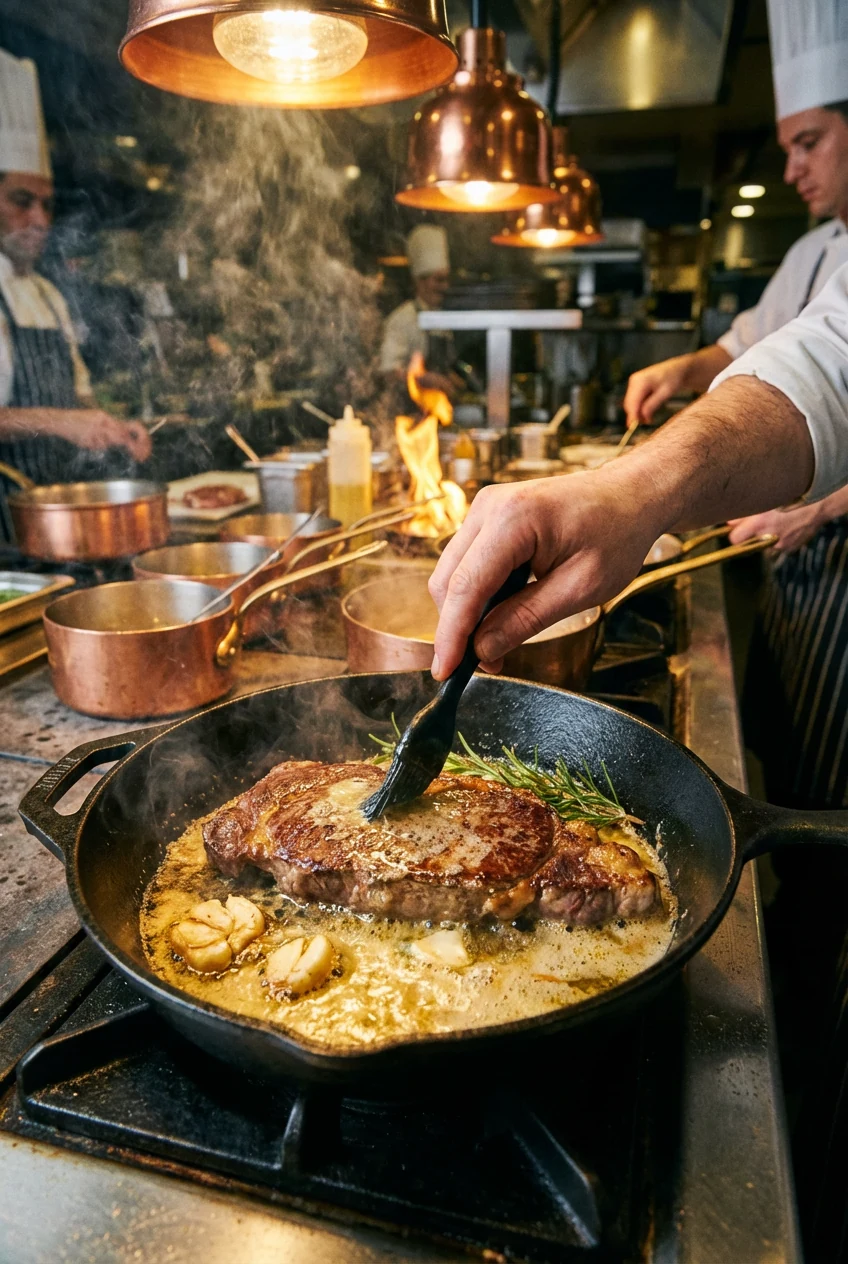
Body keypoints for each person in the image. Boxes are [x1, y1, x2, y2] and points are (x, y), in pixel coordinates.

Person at [621, 0, 848, 810]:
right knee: (783, 753)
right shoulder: (816, 248)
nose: (792, 169)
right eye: (787, 147)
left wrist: (823, 506)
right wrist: (681, 370)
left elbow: (832, 375)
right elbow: (756, 346)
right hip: (792, 567)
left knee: (837, 788)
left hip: (841, 566)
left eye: (809, 142)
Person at [0, 48, 150, 541]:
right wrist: (64, 422)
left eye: (45, 204)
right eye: (21, 202)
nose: (40, 221)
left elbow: (77, 397)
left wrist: (110, 425)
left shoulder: (46, 296)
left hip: (59, 526)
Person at [378, 224, 458, 398]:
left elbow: (445, 366)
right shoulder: (402, 319)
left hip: (437, 409)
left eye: (446, 280)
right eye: (439, 280)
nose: (445, 287)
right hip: (407, 412)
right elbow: (388, 372)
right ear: (419, 282)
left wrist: (454, 380)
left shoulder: (442, 319)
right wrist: (424, 379)